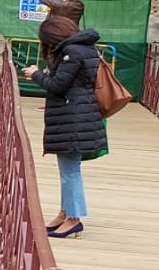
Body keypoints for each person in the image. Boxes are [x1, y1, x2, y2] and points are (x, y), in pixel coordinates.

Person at [28, 25, 108, 238]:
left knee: (70, 172)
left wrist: (36, 74)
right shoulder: (86, 48)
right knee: (68, 171)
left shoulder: (71, 52)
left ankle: (74, 218)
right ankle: (65, 213)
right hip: (80, 114)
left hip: (73, 117)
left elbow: (57, 86)